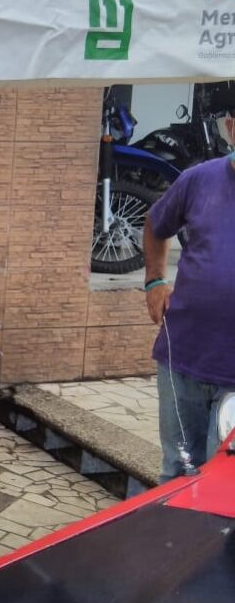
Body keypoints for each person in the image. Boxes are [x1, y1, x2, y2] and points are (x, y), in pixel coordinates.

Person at [143, 150, 235, 482]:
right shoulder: (199, 179)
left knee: (223, 483)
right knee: (177, 472)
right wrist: (155, 281)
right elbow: (156, 223)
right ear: (231, 128)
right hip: (182, 359)